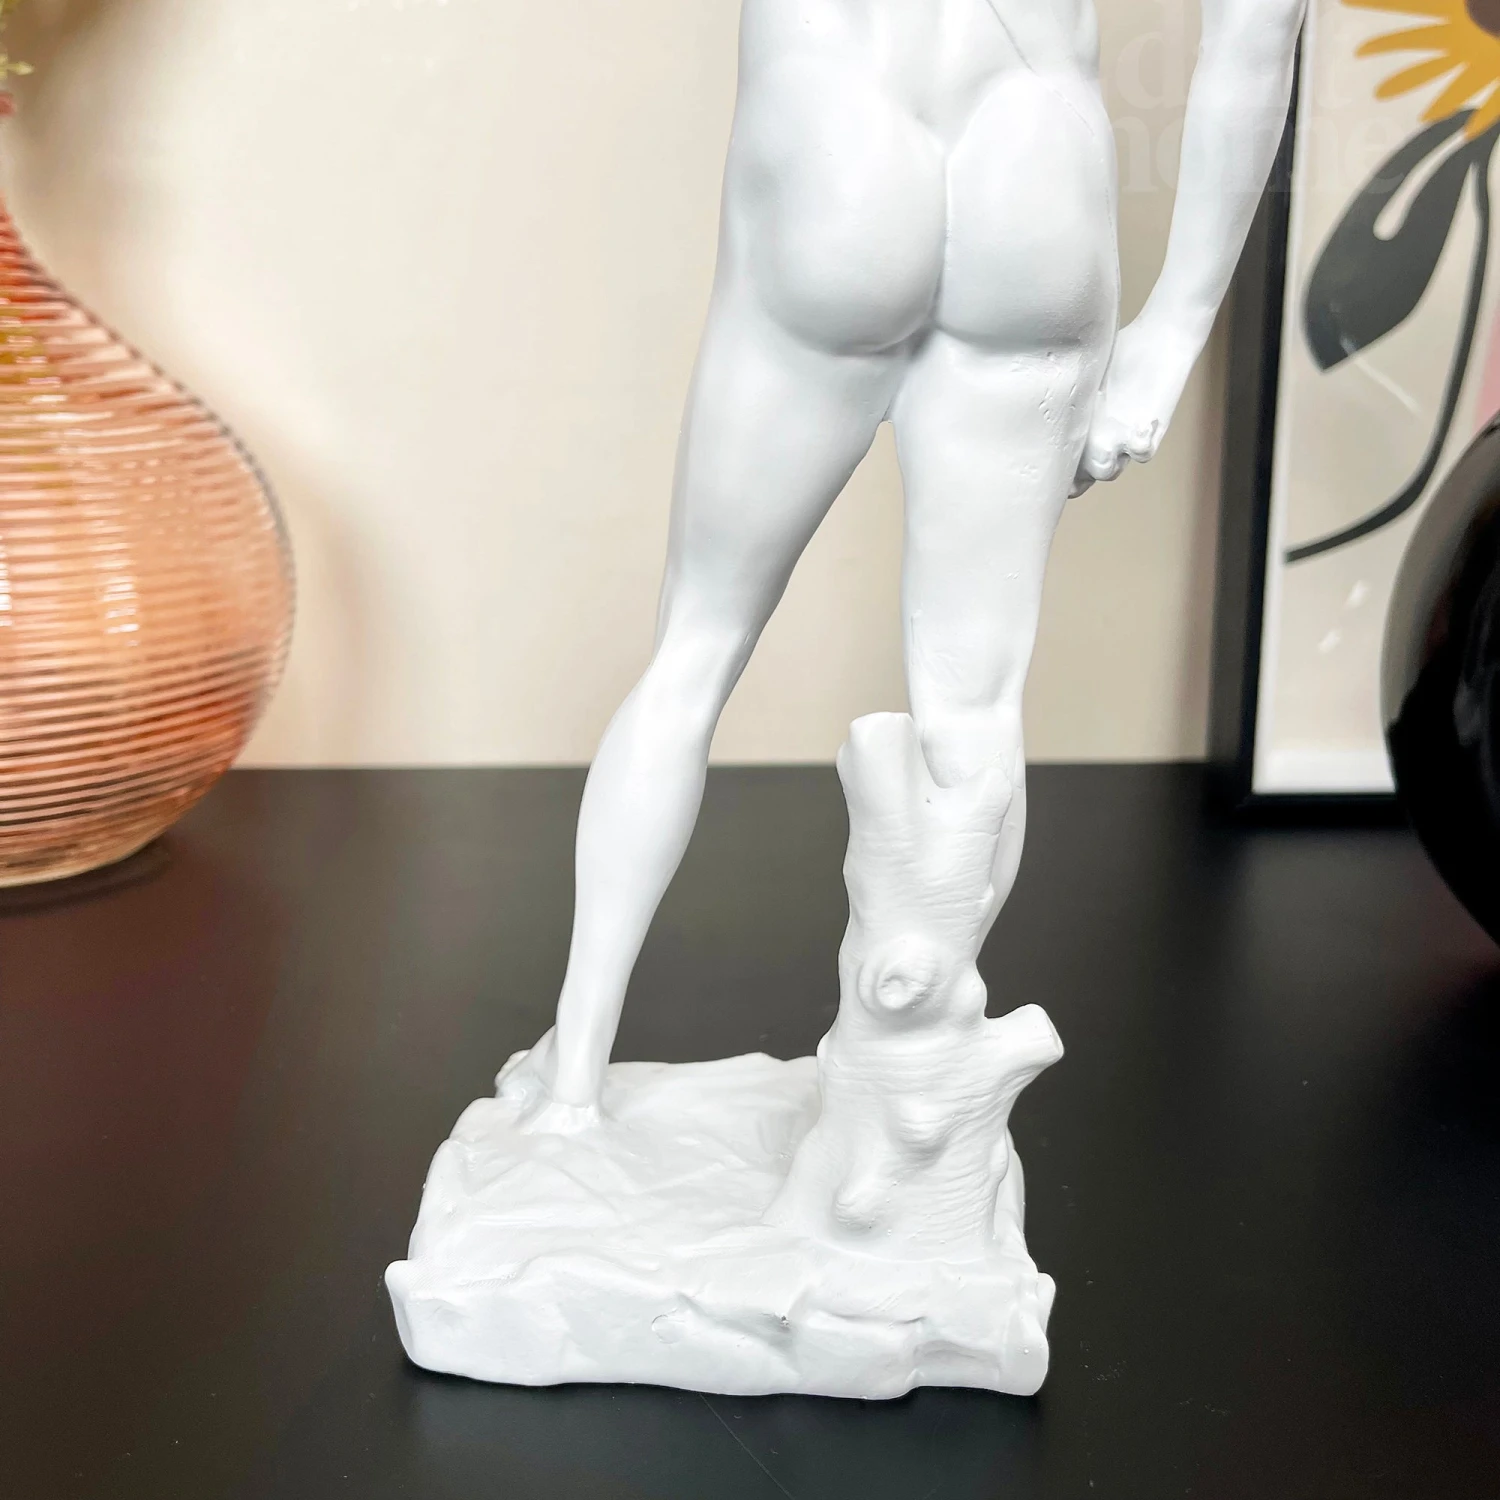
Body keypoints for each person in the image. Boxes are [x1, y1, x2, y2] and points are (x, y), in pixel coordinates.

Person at [506, 0, 1307, 1124]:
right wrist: (1173, 331)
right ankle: (903, 1104)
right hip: (1031, 179)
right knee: (973, 714)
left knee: (695, 653)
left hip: (840, 142)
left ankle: (571, 1090)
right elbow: (1262, 19)